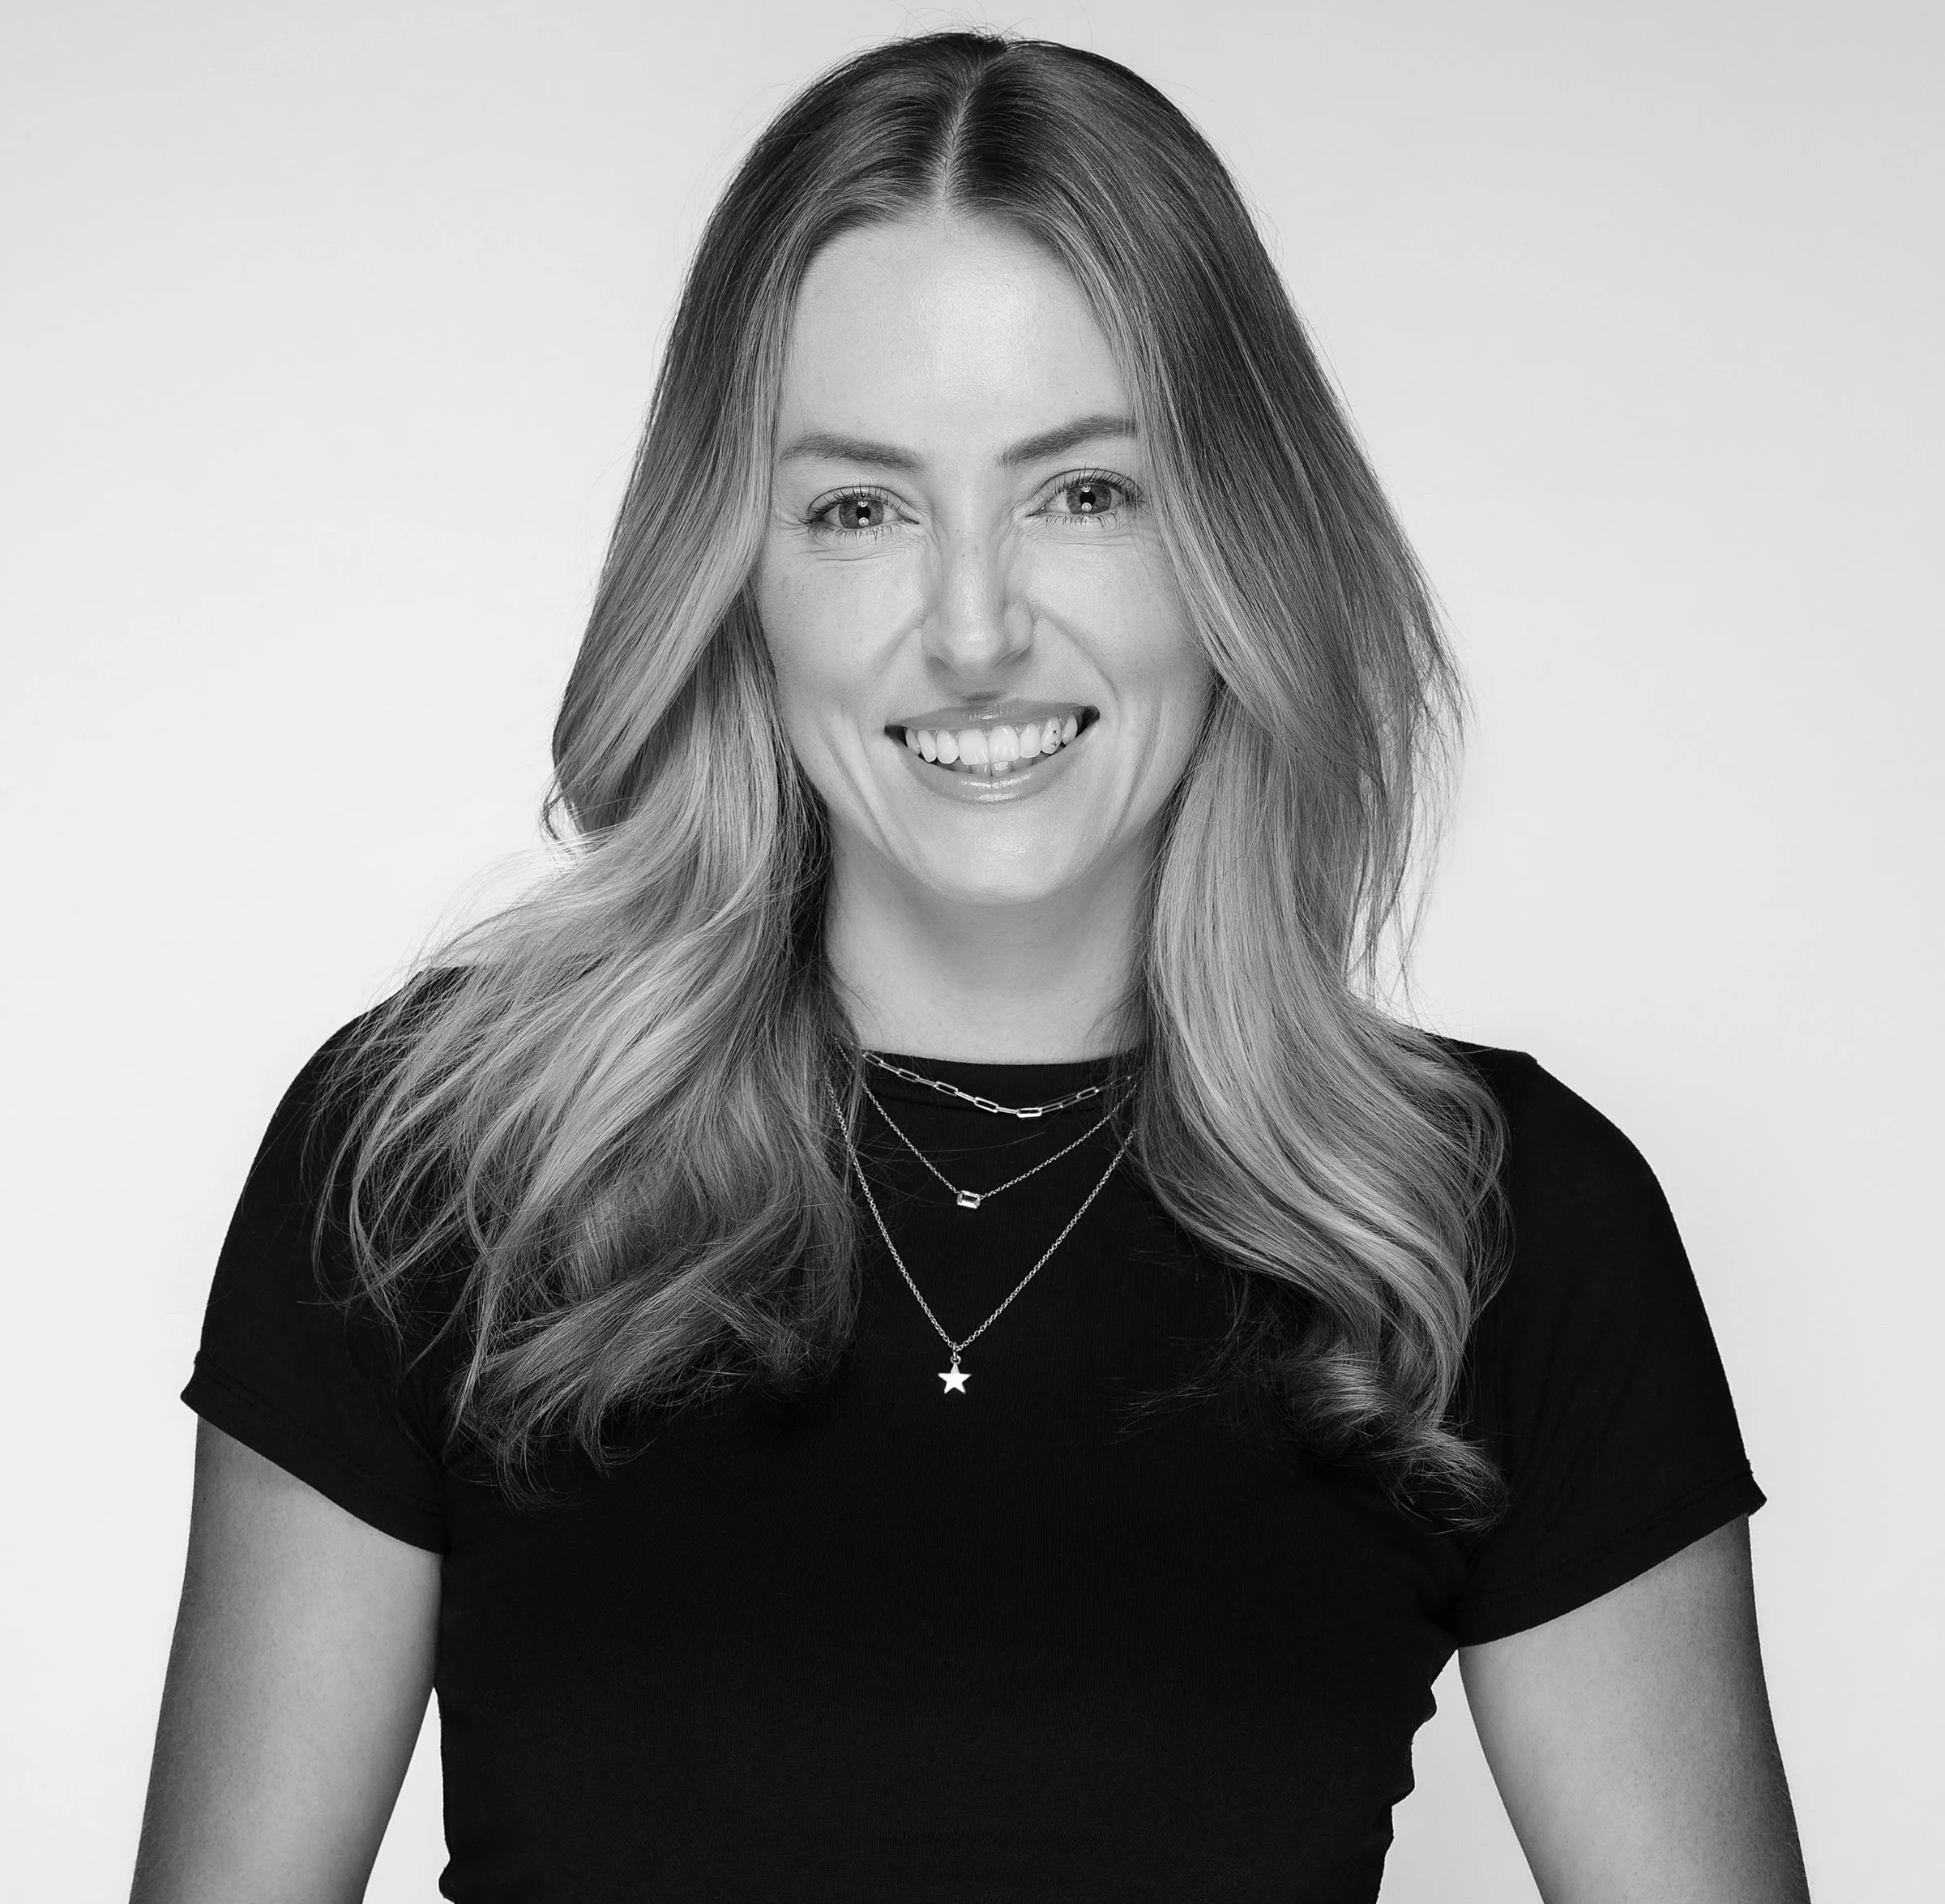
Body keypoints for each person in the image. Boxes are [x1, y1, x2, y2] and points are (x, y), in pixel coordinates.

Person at [132, 30, 1810, 1904]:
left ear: (1240, 536)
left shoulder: (1492, 1227)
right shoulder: (440, 1164)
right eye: (861, 507)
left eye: (1083, 490)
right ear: (735, 573)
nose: (976, 628)